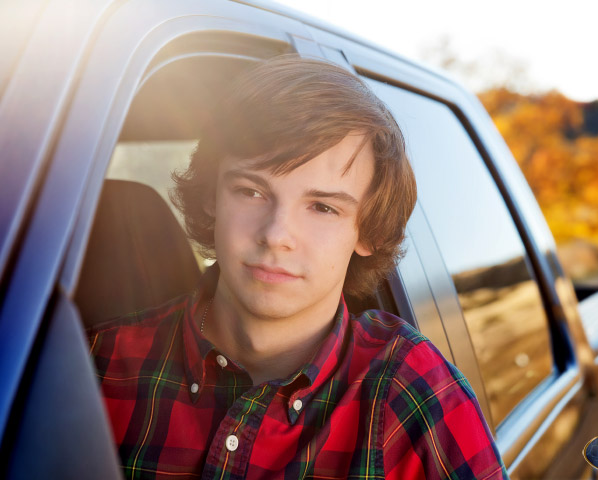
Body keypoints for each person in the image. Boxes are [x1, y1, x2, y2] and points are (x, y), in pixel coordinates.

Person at [87, 55, 508, 480]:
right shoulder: (97, 366)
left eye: (322, 207)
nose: (276, 234)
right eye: (251, 191)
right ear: (211, 197)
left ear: (368, 232)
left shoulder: (414, 394)